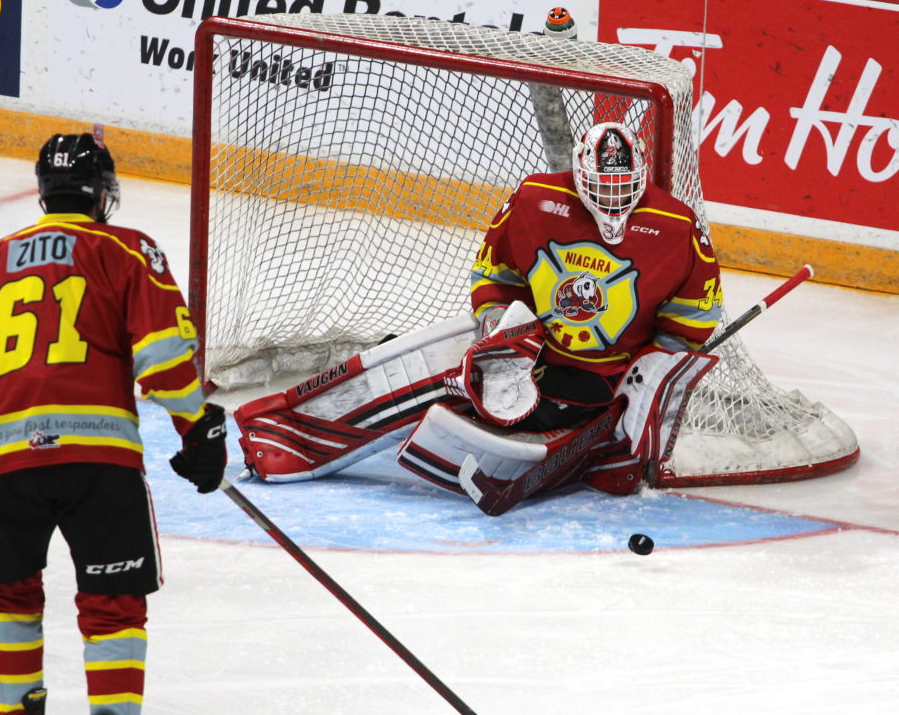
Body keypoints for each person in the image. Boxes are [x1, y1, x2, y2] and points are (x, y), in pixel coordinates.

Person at [232, 120, 723, 512]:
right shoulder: (535, 199)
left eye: (625, 188)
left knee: (582, 441)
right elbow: (495, 274)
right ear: (578, 175)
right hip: (531, 352)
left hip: (601, 379)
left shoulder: (677, 226)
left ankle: (555, 429)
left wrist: (638, 382)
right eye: (602, 187)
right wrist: (498, 328)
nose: (613, 201)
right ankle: (287, 430)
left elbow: (691, 324)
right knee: (439, 369)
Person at [0, 133, 227, 715]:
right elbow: (163, 356)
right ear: (104, 193)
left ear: (44, 190)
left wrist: (6, 430)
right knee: (113, 604)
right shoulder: (127, 249)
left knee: (6, 598)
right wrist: (194, 428)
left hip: (0, 469)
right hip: (99, 463)